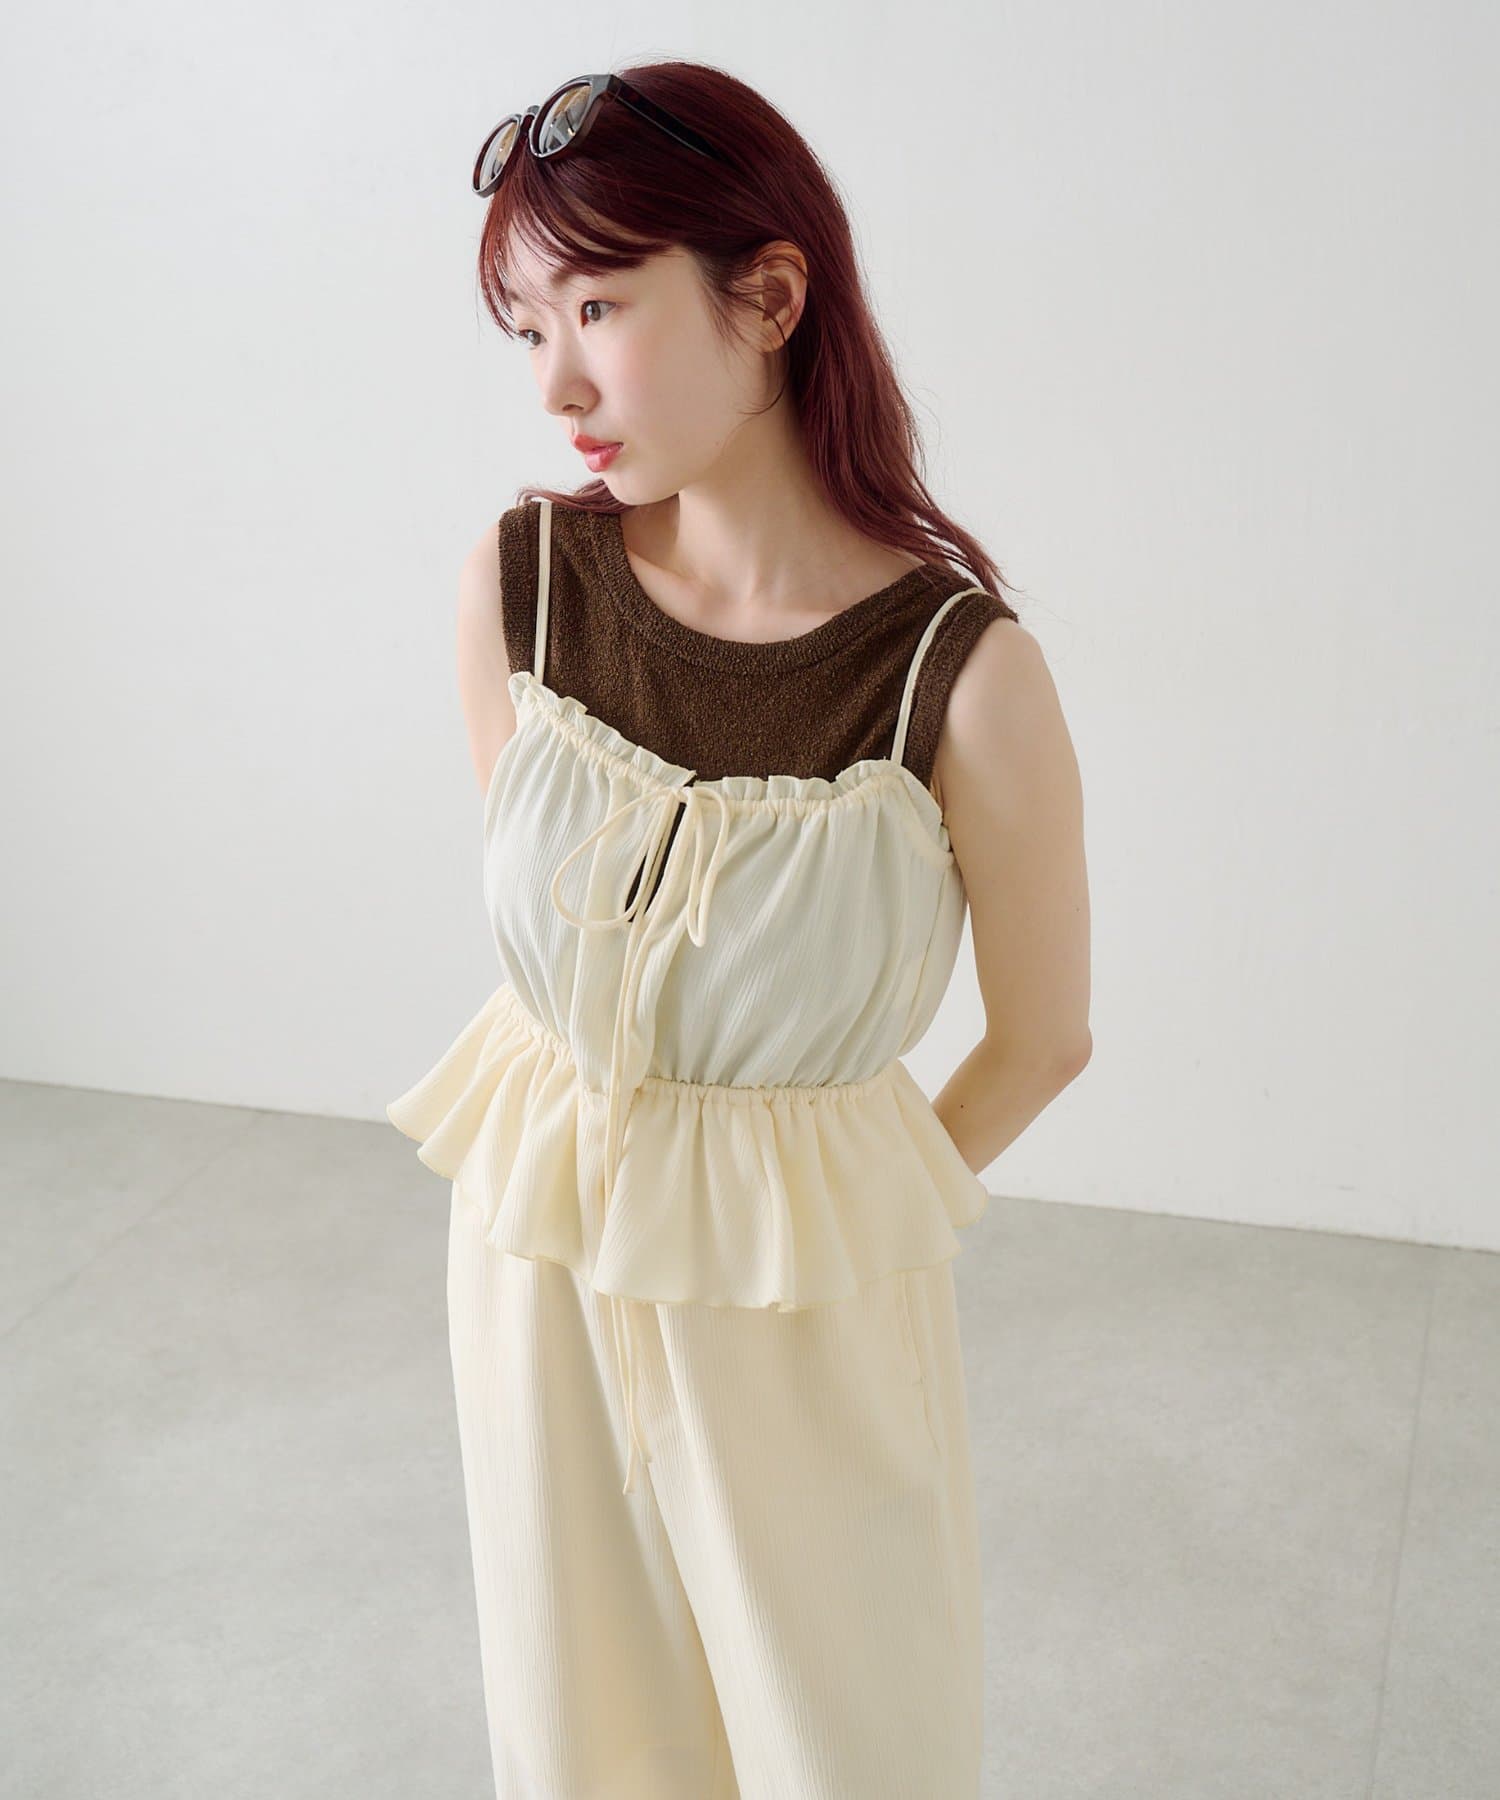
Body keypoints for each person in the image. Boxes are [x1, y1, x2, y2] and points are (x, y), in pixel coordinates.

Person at [389, 58, 1092, 1800]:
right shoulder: (517, 586)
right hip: (536, 1255)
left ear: (769, 297)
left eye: (600, 307)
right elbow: (552, 953)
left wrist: (823, 1214)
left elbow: (1043, 1038)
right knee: (582, 1733)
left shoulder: (959, 676)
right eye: (528, 326)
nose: (555, 381)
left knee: (846, 1742)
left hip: (797, 1306)